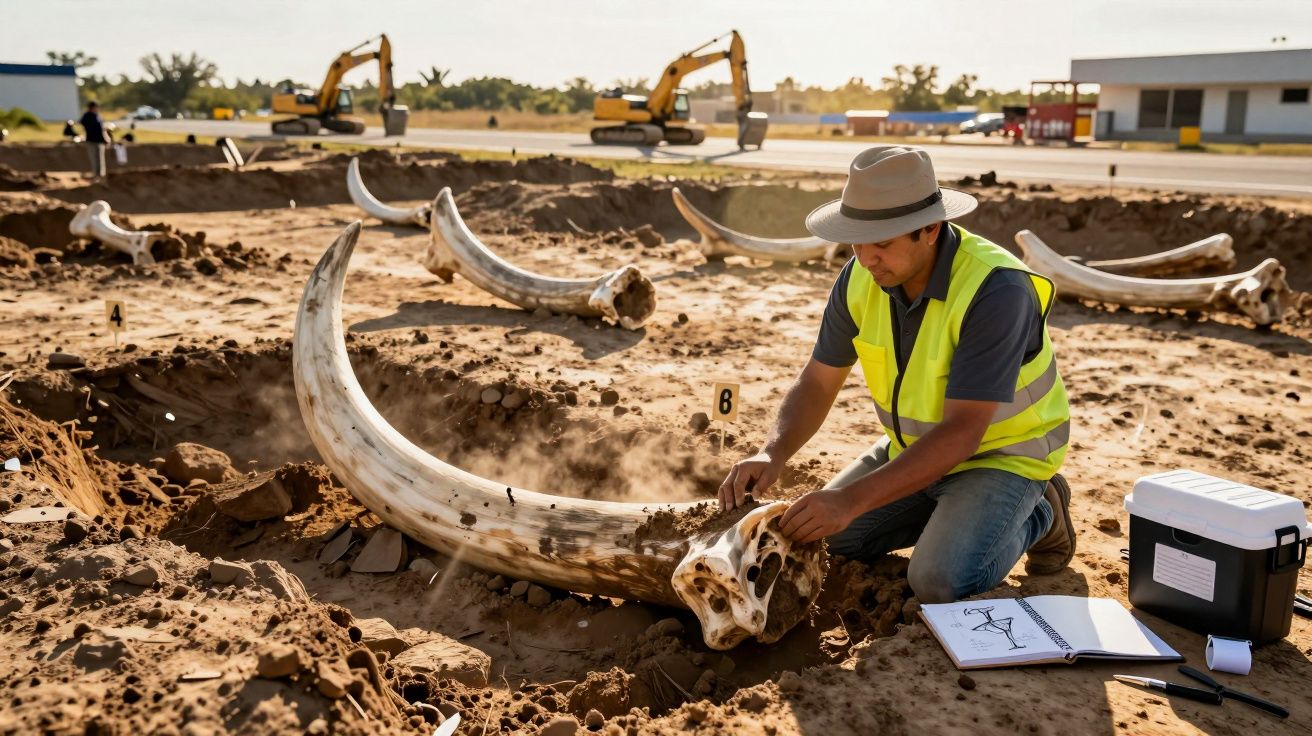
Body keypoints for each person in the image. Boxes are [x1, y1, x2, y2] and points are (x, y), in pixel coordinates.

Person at [718, 145, 1074, 604]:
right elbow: (818, 381)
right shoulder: (861, 275)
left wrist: (850, 501)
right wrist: (773, 452)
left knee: (938, 581)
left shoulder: (997, 290)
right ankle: (955, 517)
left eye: (882, 243)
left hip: (1001, 457)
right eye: (856, 242)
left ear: (930, 229)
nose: (866, 258)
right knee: (824, 541)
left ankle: (1043, 511)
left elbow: (964, 431)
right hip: (913, 452)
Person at [79, 101, 110, 180]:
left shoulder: (97, 116)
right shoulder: (87, 116)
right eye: (96, 107)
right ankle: (96, 175)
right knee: (94, 159)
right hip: (91, 140)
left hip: (100, 140)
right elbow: (83, 124)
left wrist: (106, 138)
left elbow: (102, 129)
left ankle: (101, 175)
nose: (97, 109)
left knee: (100, 159)